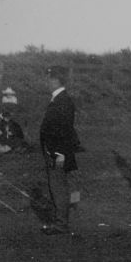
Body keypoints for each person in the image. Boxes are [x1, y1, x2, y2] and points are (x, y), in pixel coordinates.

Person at [39, 66, 80, 235]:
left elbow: (64, 129)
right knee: (57, 188)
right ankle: (60, 222)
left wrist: (59, 153)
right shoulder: (59, 99)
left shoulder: (62, 101)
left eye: (49, 79)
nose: (47, 82)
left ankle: (61, 224)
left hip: (57, 153)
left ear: (56, 80)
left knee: (58, 189)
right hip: (54, 152)